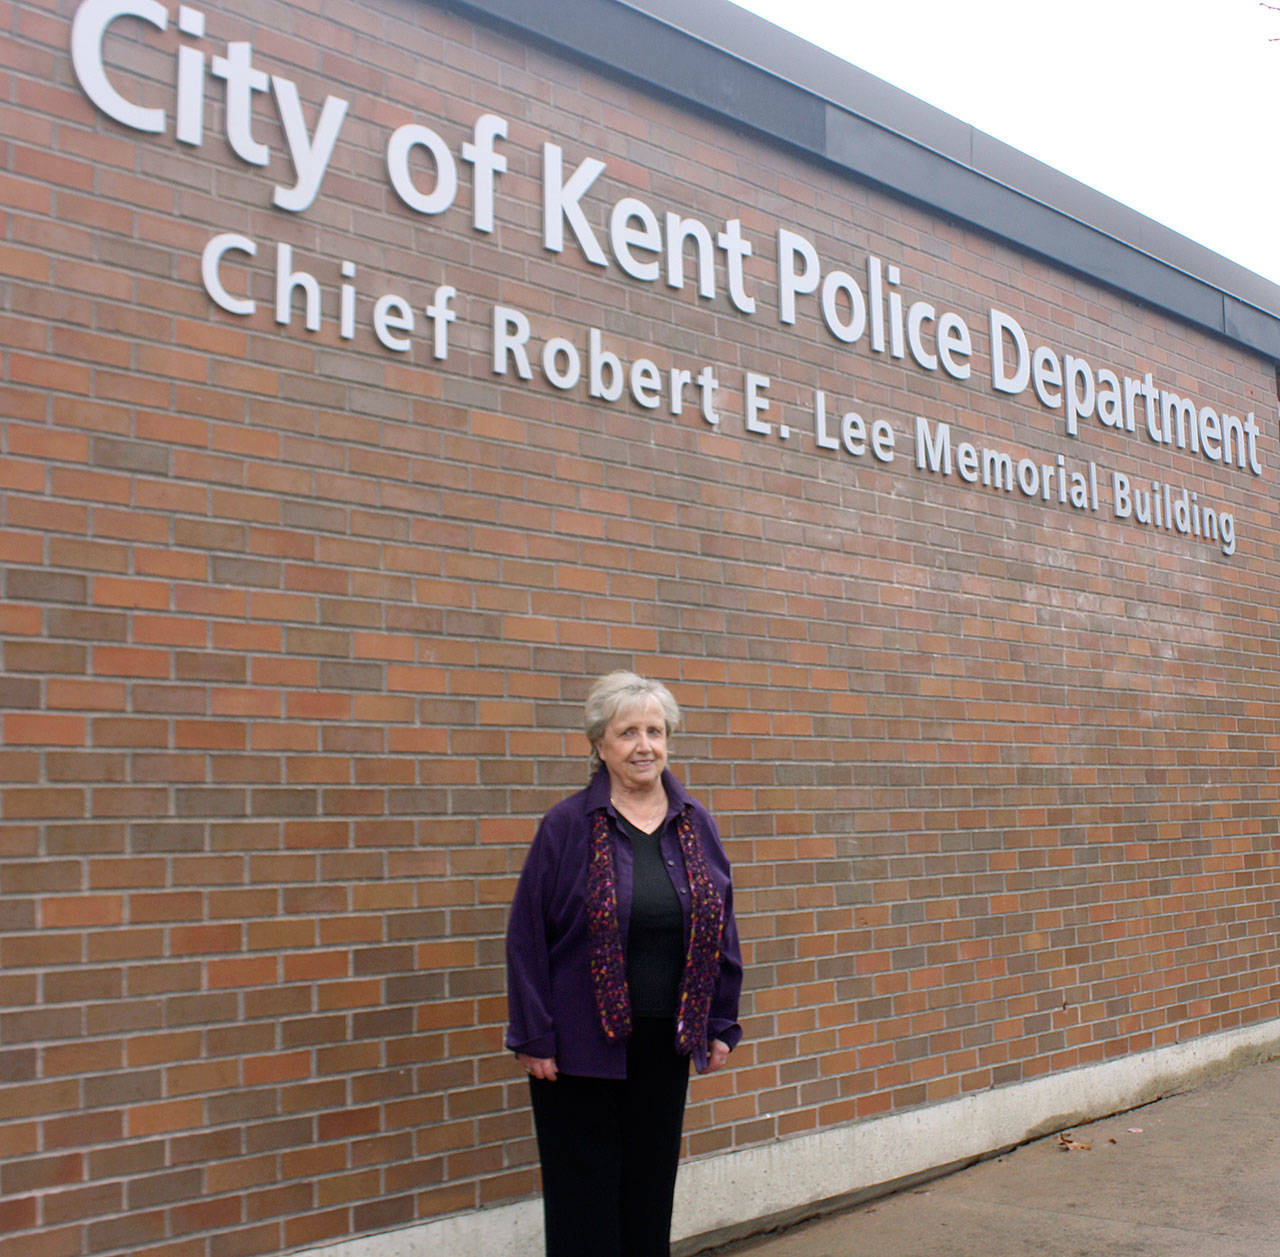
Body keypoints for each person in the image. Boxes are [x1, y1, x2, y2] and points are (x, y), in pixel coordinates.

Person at [505, 671, 743, 1257]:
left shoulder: (695, 822)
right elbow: (527, 935)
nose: (644, 745)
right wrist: (534, 1035)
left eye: (655, 731)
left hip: (666, 1040)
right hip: (578, 1047)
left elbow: (721, 925)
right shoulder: (567, 827)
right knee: (582, 1202)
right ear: (600, 744)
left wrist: (718, 1021)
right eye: (627, 732)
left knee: (648, 1193)